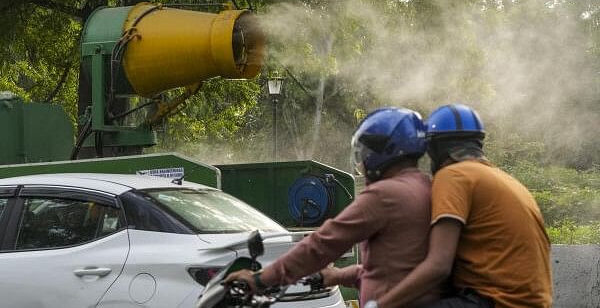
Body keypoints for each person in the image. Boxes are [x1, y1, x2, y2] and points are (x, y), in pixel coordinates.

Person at [225, 107, 446, 307]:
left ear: (382, 151)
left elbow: (322, 244)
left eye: (365, 153)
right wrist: (337, 275)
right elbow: (393, 271)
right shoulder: (425, 186)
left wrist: (260, 278)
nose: (363, 162)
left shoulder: (384, 195)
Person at [375, 104, 552, 308]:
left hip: (496, 301)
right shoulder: (502, 179)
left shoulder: (454, 175)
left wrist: (378, 305)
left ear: (435, 149)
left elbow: (438, 266)